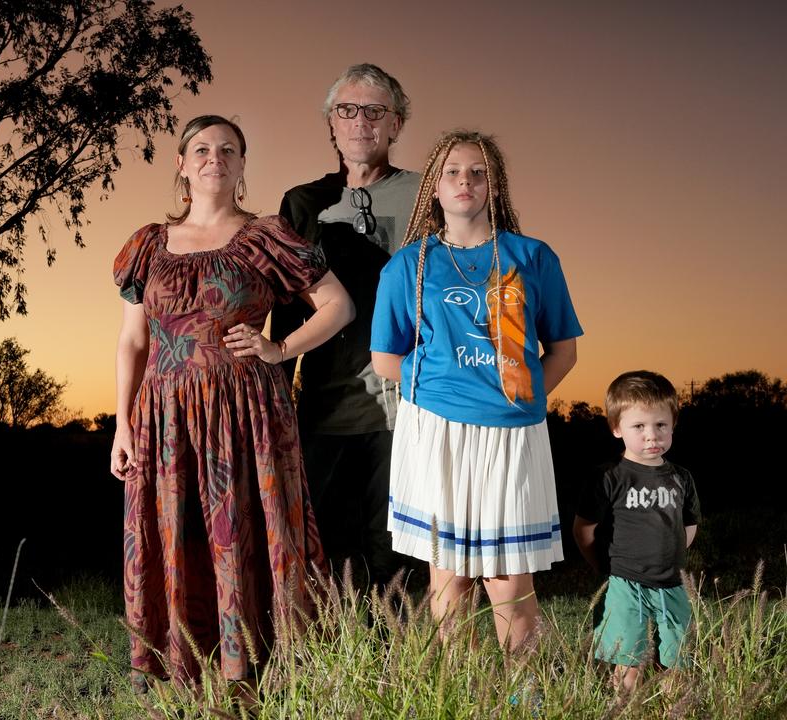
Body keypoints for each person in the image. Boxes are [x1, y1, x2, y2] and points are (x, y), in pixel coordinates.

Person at [111, 115, 355, 688]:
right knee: (173, 529)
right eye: (200, 148)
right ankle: (181, 661)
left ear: (243, 165)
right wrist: (123, 424)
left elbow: (338, 306)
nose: (213, 157)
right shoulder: (148, 244)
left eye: (228, 149)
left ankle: (259, 664)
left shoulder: (266, 235)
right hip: (164, 414)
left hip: (247, 411)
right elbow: (132, 340)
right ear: (181, 163)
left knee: (248, 529)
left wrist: (280, 347)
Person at [370, 129, 581, 651]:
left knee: (509, 580)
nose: (465, 180)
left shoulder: (532, 257)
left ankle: (523, 700)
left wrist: (523, 397)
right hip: (438, 430)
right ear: (434, 189)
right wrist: (441, 392)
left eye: (478, 172)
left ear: (495, 184)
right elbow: (384, 357)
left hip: (512, 433)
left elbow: (563, 350)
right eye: (451, 172)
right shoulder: (408, 266)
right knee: (452, 578)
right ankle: (461, 696)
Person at [271, 64, 419, 589]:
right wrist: (278, 394)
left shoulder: (428, 196)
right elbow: (285, 306)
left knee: (395, 546)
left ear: (396, 125)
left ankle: (398, 662)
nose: (361, 122)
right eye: (348, 111)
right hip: (325, 401)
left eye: (375, 112)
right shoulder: (303, 203)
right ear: (331, 124)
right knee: (322, 538)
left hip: (407, 401)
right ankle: (329, 660)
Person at [573, 371, 700, 691]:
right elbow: (583, 529)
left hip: (672, 585)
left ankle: (672, 711)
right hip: (625, 585)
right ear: (617, 428)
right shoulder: (609, 477)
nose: (651, 436)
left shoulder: (681, 477)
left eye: (661, 425)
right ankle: (627, 710)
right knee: (629, 663)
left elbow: (688, 523)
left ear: (673, 424)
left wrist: (671, 558)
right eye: (639, 426)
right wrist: (604, 567)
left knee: (676, 661)